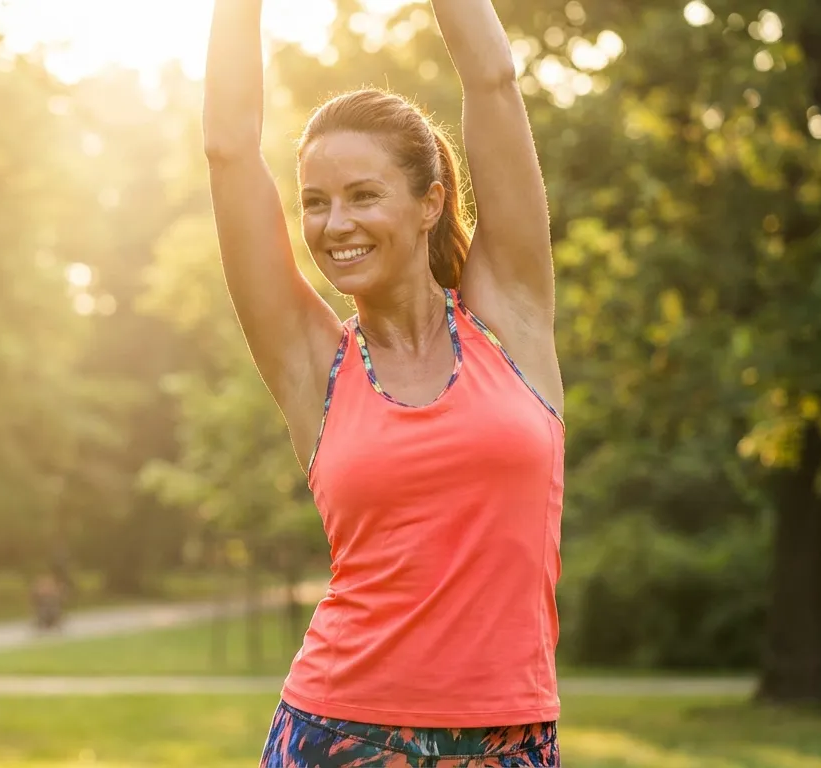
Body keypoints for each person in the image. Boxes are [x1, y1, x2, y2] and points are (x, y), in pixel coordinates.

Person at [202, 1, 566, 765]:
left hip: (509, 743)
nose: (336, 225)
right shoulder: (313, 366)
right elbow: (230, 149)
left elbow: (493, 80)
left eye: (363, 195)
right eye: (315, 202)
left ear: (431, 201)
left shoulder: (512, 320)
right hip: (339, 736)